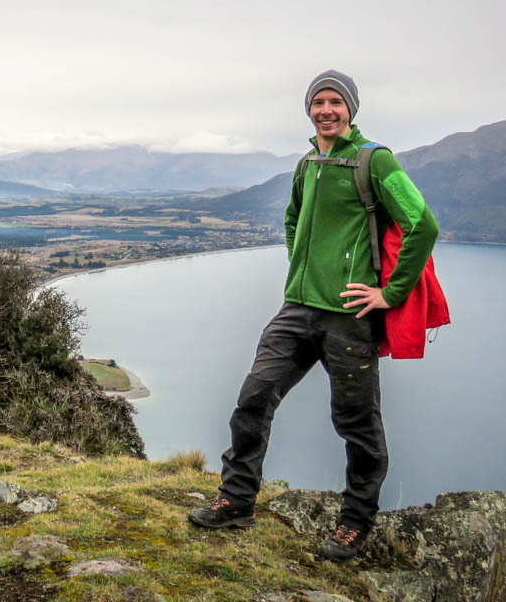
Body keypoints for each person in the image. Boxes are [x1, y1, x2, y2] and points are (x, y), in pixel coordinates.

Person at [187, 70, 439, 562]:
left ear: (351, 109)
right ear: (309, 110)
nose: (326, 110)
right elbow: (291, 218)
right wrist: (303, 265)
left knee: (357, 423)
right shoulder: (308, 164)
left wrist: (390, 293)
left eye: (335, 102)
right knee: (253, 400)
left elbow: (422, 225)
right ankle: (237, 499)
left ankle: (355, 523)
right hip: (297, 310)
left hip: (348, 316)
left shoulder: (374, 160)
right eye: (318, 102)